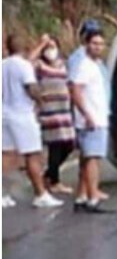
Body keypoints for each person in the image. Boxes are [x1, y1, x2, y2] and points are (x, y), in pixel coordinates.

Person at [2, 34, 62, 209]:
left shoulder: (2, 65)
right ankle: (40, 194)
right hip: (23, 114)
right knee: (32, 154)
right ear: (25, 46)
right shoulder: (24, 66)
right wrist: (41, 100)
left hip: (4, 113)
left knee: (5, 154)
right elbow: (31, 88)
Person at [69, 30, 111, 212]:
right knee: (93, 159)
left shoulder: (96, 65)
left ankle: (82, 195)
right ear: (86, 44)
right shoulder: (85, 65)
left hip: (98, 117)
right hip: (91, 120)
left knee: (87, 159)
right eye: (94, 43)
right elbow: (75, 90)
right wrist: (86, 114)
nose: (98, 47)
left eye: (101, 44)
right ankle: (93, 197)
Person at [34, 35, 77, 195]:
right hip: (49, 111)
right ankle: (54, 181)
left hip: (64, 111)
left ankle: (49, 174)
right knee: (55, 146)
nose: (50, 50)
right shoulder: (39, 66)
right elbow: (27, 62)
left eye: (52, 46)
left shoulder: (63, 65)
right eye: (47, 47)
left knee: (69, 145)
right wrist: (42, 43)